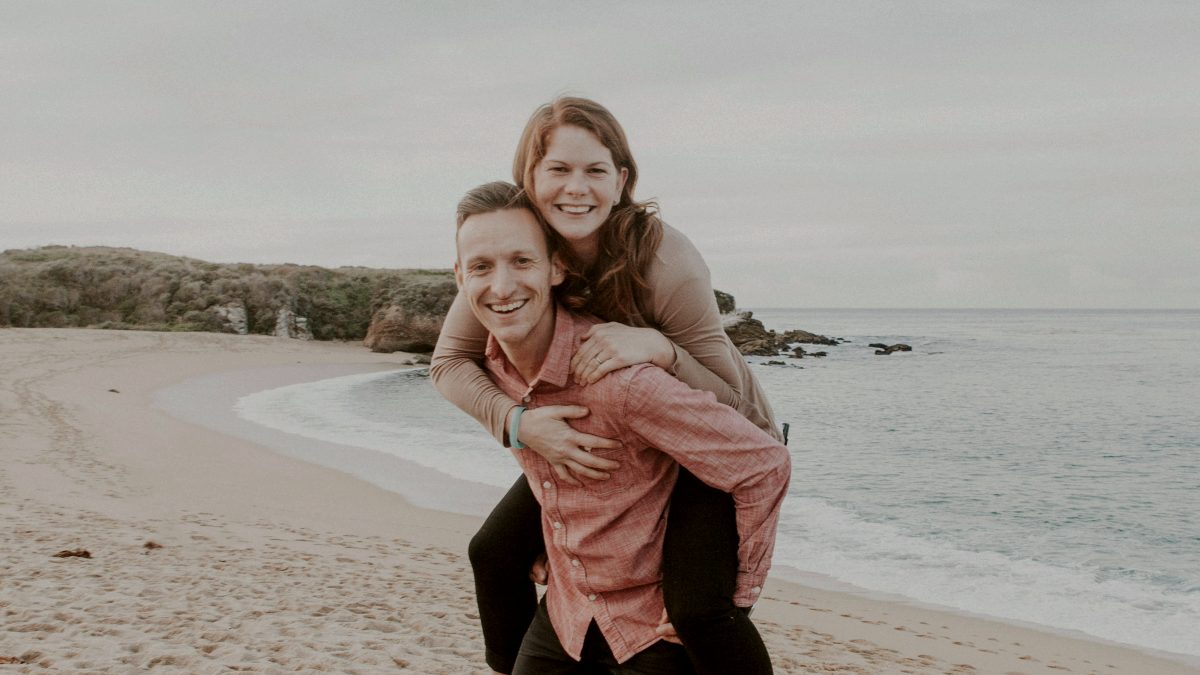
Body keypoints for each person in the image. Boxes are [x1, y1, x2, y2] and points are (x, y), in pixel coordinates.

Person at [432, 97, 785, 675]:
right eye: (558, 170)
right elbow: (450, 363)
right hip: (620, 434)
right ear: (530, 176)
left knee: (699, 610)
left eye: (595, 170)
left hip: (713, 437)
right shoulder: (515, 255)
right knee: (494, 553)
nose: (576, 189)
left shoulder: (667, 263)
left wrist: (663, 349)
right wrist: (520, 425)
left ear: (622, 180)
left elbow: (738, 413)